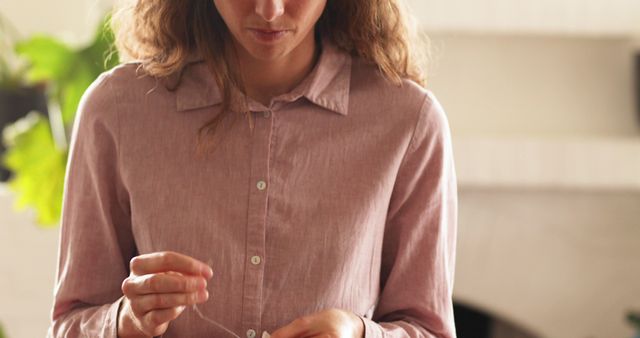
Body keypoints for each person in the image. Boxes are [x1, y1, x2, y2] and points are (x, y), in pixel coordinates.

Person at [46, 0, 458, 337]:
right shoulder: (116, 111)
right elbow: (67, 325)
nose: (268, 10)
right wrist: (125, 322)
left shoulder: (409, 122)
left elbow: (430, 330)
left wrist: (357, 332)